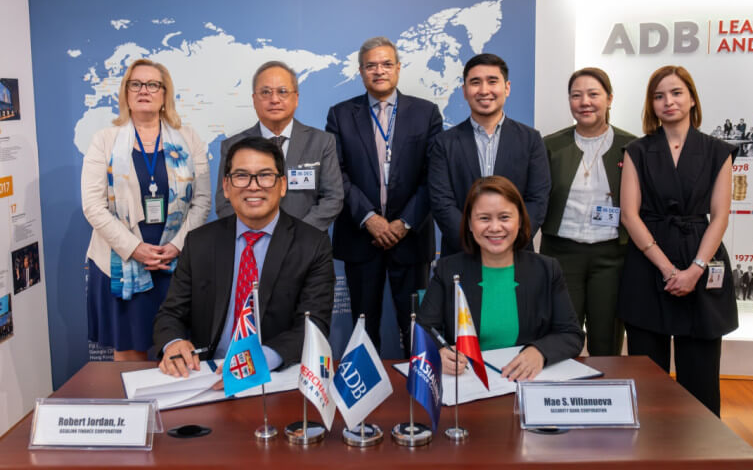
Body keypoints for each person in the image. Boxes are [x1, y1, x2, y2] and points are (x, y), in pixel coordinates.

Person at [154, 136, 334, 377]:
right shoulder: (199, 242)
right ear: (226, 187)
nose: (253, 186)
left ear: (282, 185)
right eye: (241, 176)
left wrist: (259, 360)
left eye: (265, 175)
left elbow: (313, 325)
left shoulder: (312, 245)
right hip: (208, 374)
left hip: (273, 374)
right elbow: (171, 313)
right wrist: (173, 342)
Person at [618, 65, 737, 416]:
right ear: (650, 105)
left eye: (676, 93)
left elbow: (721, 216)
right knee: (645, 374)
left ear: (692, 98)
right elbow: (629, 215)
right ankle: (645, 452)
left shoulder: (717, 151)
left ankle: (701, 454)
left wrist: (694, 270)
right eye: (659, 96)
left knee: (700, 377)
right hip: (648, 263)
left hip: (701, 260)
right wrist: (669, 269)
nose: (668, 101)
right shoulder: (636, 150)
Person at [81, 58, 211, 361]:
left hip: (176, 264)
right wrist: (134, 248)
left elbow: (202, 200)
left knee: (180, 354)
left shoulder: (188, 138)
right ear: (126, 93)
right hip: (122, 262)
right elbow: (93, 205)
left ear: (165, 94)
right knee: (129, 358)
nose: (144, 90)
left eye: (153, 84)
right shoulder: (105, 140)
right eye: (136, 84)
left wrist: (177, 246)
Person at [326, 36, 442, 355]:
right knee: (364, 327)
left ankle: (418, 395)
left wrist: (403, 223)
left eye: (386, 64)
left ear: (398, 69)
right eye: (371, 65)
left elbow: (433, 175)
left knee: (416, 326)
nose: (379, 71)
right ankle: (367, 396)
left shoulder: (426, 113)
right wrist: (370, 219)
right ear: (361, 72)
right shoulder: (340, 114)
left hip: (411, 239)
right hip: (361, 238)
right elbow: (337, 173)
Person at [417, 176, 583, 381]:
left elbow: (571, 334)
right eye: (484, 218)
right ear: (470, 223)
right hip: (468, 384)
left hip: (526, 382)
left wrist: (539, 352)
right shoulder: (448, 269)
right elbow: (424, 331)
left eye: (504, 217)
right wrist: (439, 352)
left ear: (520, 220)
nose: (495, 228)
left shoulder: (547, 269)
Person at [540, 68, 635, 356]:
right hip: (561, 253)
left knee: (606, 338)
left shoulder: (630, 146)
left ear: (609, 99)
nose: (585, 102)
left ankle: (606, 395)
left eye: (593, 94)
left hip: (611, 256)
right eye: (576, 95)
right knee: (561, 333)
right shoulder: (550, 145)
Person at [429, 53, 550, 257]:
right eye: (475, 82)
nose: (484, 90)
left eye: (492, 81)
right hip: (461, 255)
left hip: (515, 255)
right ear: (465, 91)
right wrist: (471, 243)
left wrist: (509, 242)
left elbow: (537, 199)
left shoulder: (531, 140)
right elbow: (442, 202)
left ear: (507, 88)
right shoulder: (445, 143)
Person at [215, 61, 342, 231]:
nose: (274, 99)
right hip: (251, 245)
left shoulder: (321, 142)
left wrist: (298, 235)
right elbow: (224, 202)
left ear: (296, 98)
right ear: (254, 99)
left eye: (282, 92)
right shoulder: (233, 145)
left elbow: (333, 198)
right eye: (266, 92)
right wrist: (257, 232)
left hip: (306, 245)